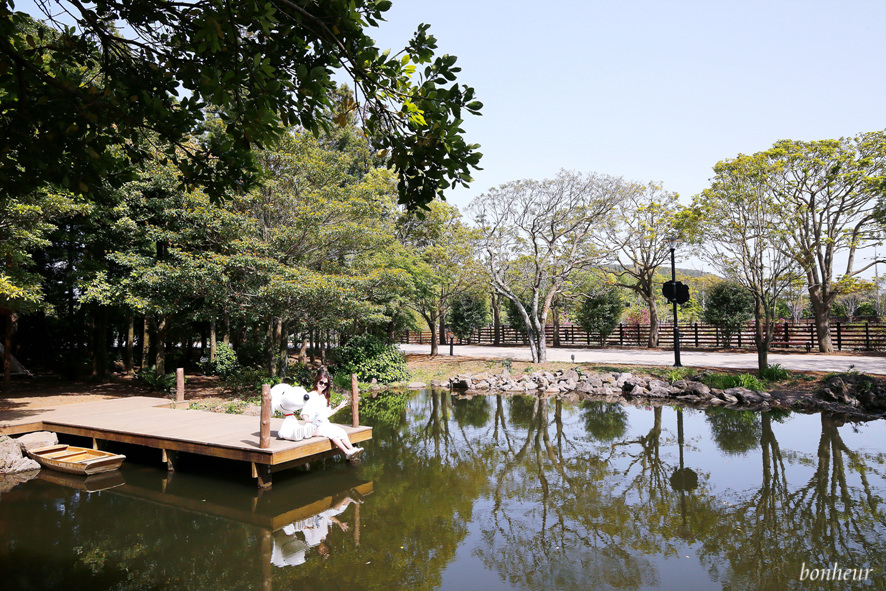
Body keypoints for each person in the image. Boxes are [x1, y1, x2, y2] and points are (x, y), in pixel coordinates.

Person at [302, 369, 364, 460]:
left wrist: (338, 407)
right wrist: (307, 419)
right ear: (317, 382)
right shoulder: (311, 395)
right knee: (331, 432)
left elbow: (327, 414)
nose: (323, 385)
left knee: (340, 431)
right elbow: (304, 413)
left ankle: (352, 449)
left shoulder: (324, 397)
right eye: (321, 382)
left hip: (323, 424)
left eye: (325, 384)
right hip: (313, 427)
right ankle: (346, 452)